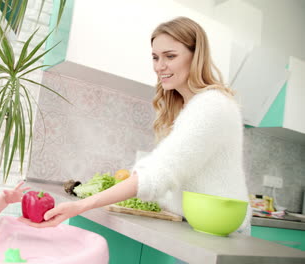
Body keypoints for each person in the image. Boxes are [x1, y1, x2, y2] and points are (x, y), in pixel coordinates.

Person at [20, 16, 251, 234]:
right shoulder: (188, 106)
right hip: (198, 226)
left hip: (221, 232)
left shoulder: (212, 105)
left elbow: (162, 172)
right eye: (155, 57)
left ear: (196, 55)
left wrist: (83, 205)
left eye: (170, 56)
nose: (159, 66)